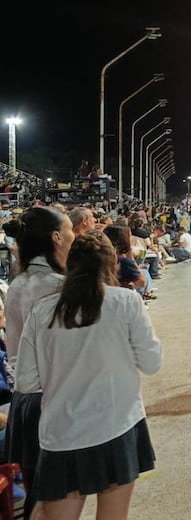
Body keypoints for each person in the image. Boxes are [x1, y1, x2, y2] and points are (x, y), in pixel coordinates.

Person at [17, 231, 161, 518]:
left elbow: (26, 381)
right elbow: (151, 362)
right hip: (117, 426)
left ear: (69, 266)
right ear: (112, 265)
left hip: (61, 436)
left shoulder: (42, 311)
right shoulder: (126, 302)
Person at [1, 207, 73, 519]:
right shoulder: (57, 286)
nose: (73, 236)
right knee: (56, 501)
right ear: (57, 237)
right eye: (69, 230)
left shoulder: (18, 284)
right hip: (53, 401)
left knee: (38, 497)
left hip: (24, 403)